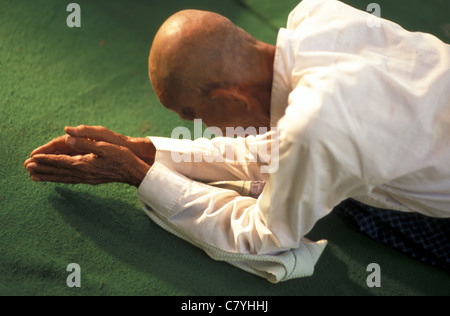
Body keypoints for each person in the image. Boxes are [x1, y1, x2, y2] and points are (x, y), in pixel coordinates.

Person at [24, 0, 450, 282]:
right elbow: (277, 148)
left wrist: (138, 176)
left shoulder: (316, 126)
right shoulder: (317, 13)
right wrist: (149, 152)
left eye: (192, 115)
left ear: (228, 96)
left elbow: (265, 237)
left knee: (357, 206)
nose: (200, 127)